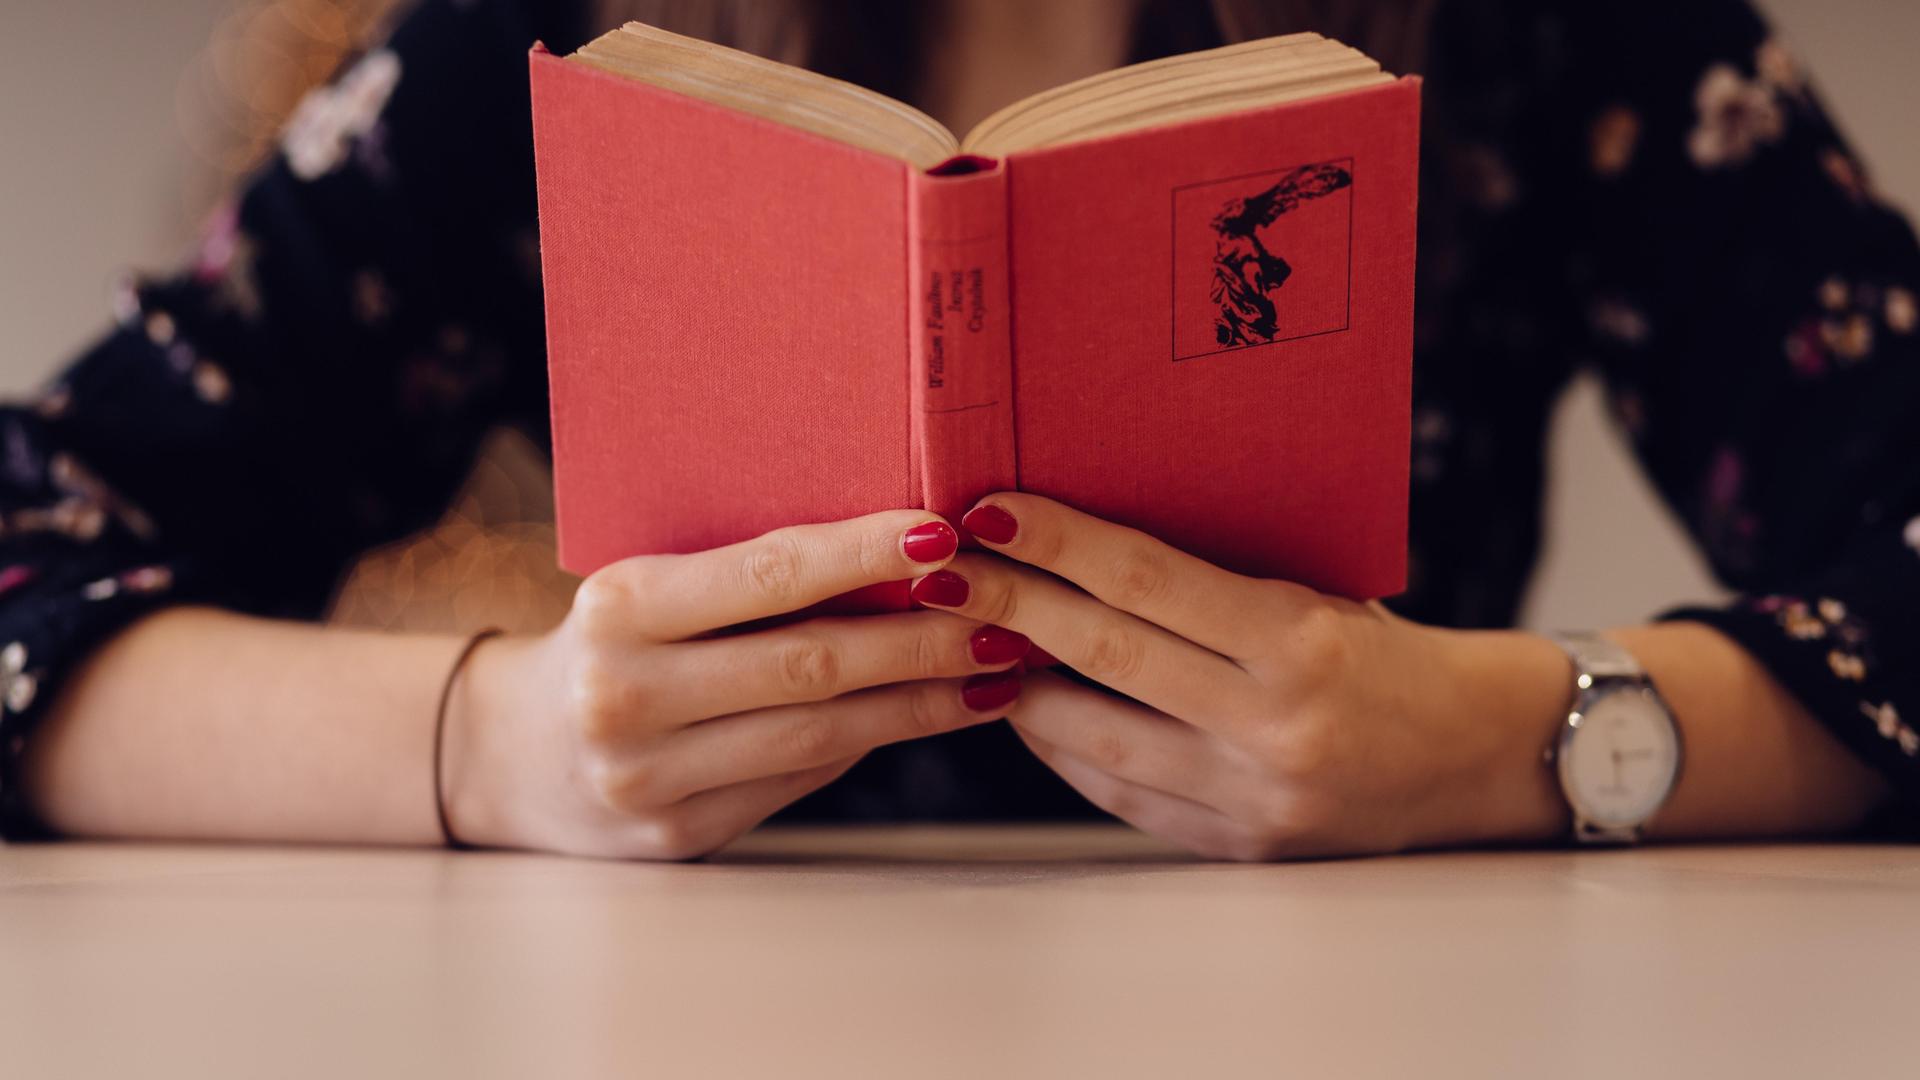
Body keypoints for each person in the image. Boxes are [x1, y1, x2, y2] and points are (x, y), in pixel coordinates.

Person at [3, 0, 1914, 861]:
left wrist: (1510, 742)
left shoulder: (1558, 34)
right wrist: (496, 749)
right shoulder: (565, 51)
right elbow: (29, 546)